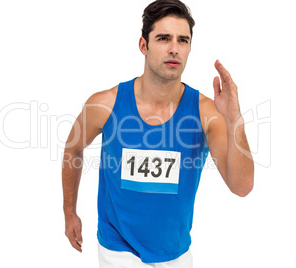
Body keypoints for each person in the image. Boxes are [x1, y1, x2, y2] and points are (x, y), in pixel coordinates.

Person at [62, 0, 254, 267]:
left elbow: (242, 187)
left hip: (175, 253)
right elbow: (73, 148)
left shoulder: (206, 114)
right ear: (144, 45)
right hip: (118, 249)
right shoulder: (104, 104)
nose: (174, 48)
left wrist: (235, 120)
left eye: (182, 40)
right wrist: (69, 212)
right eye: (163, 38)